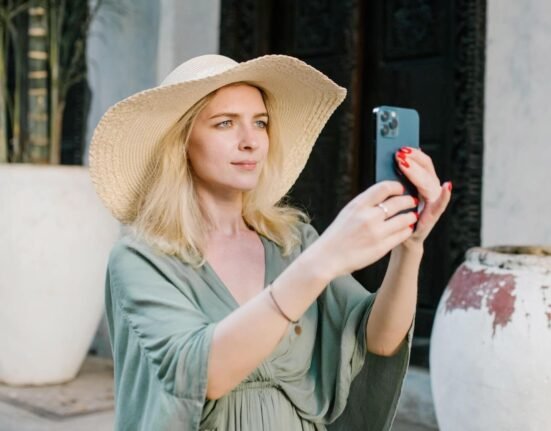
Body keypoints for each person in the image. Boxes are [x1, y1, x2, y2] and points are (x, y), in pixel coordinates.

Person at [89, 54, 451, 431]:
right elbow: (204, 374)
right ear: (181, 141)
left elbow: (380, 340)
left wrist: (410, 246)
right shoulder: (140, 258)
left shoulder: (291, 241)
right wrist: (322, 262)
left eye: (260, 123)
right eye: (225, 123)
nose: (250, 142)